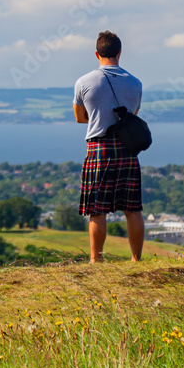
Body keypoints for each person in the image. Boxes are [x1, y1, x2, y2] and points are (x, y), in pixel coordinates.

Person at [73, 30, 144, 263]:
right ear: (120, 52)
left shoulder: (83, 82)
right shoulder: (135, 83)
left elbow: (80, 117)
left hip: (98, 148)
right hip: (127, 148)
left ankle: (96, 260)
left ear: (96, 53)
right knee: (132, 208)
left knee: (97, 208)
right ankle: (136, 260)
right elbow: (132, 115)